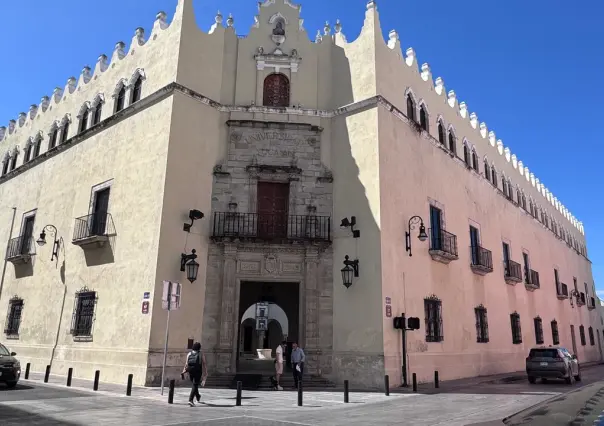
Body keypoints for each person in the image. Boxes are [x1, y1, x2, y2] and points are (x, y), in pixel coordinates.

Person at [182, 342, 207, 407]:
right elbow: (204, 364)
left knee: (194, 384)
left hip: (190, 371)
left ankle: (198, 396)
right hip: (198, 371)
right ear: (199, 347)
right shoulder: (201, 354)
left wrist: (184, 371)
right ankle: (190, 400)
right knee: (195, 384)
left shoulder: (189, 354)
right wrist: (205, 373)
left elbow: (186, 363)